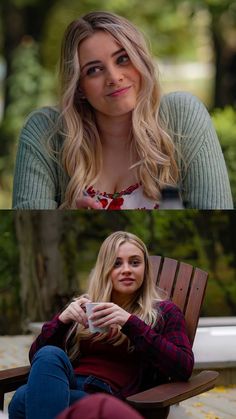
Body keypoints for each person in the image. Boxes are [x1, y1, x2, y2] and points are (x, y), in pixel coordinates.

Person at [12, 11, 233, 209]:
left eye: (123, 59)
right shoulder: (44, 133)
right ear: (79, 87)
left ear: (141, 61)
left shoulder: (183, 115)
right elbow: (30, 241)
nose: (114, 77)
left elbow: (218, 231)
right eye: (94, 70)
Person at [8, 231, 194, 419]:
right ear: (105, 269)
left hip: (112, 398)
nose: (127, 269)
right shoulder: (87, 308)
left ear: (145, 269)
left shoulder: (164, 312)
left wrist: (129, 322)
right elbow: (36, 359)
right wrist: (61, 321)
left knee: (22, 399)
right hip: (69, 385)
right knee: (48, 354)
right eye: (117, 263)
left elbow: (183, 366)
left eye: (135, 262)